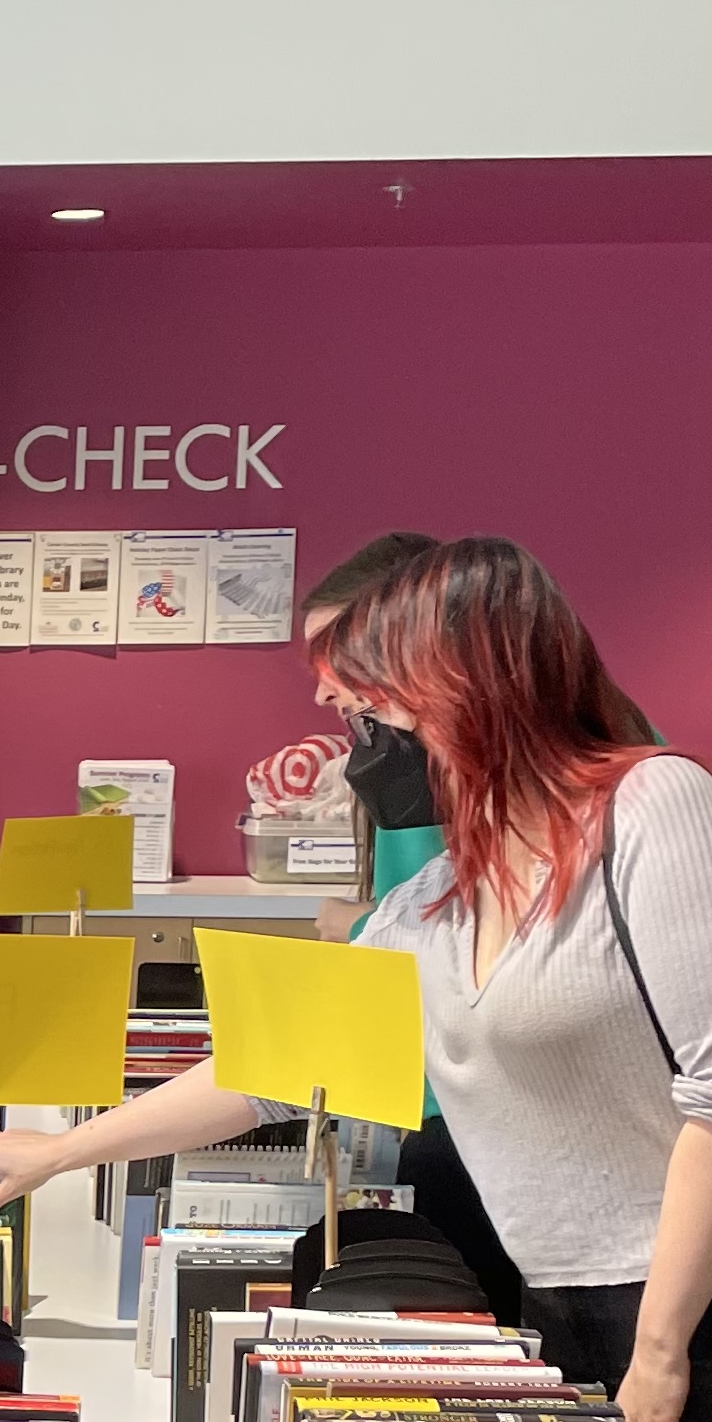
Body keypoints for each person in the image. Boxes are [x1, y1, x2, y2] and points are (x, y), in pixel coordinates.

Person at [0, 536, 712, 1422]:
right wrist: (61, 1152)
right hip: (576, 1309)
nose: (350, 722)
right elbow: (272, 1066)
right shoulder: (445, 887)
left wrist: (659, 1356)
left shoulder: (660, 807)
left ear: (472, 680)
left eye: (372, 694)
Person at [301, 529, 524, 1325]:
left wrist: (356, 927)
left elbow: (485, 933)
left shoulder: (572, 790)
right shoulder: (403, 766)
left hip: (501, 1114)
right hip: (434, 1095)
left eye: (340, 657)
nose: (327, 691)